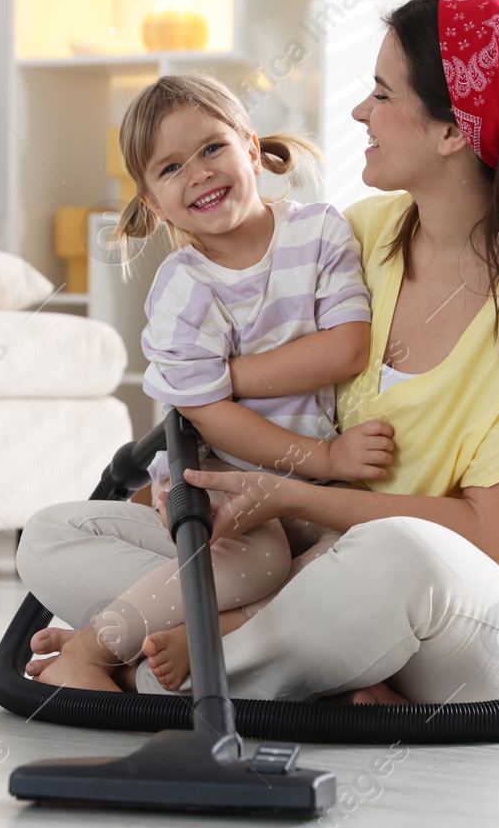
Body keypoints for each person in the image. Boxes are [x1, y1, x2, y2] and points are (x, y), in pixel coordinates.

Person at [17, 0, 499, 704]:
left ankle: (169, 664)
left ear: (452, 131)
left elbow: (490, 537)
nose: (360, 113)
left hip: (476, 620)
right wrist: (205, 411)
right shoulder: (358, 235)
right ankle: (303, 664)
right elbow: (248, 383)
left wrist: (286, 488)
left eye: (382, 94)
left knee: (398, 555)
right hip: (304, 560)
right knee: (49, 535)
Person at [25, 73, 395, 693]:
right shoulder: (181, 289)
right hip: (218, 482)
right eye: (169, 169)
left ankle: (196, 632)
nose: (197, 173)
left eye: (211, 149)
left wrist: (224, 382)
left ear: (251, 150)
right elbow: (209, 419)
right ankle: (94, 649)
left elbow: (347, 346)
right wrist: (324, 454)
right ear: (150, 201)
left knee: (368, 561)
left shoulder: (321, 232)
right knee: (258, 556)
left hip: (315, 493)